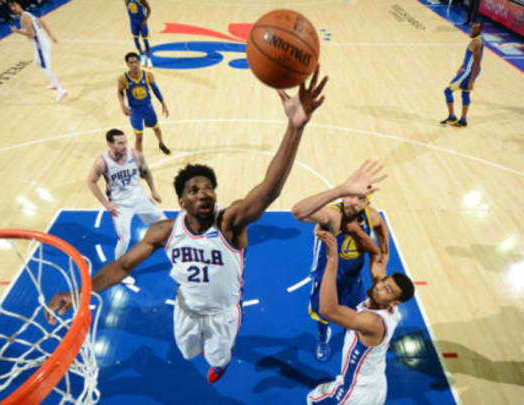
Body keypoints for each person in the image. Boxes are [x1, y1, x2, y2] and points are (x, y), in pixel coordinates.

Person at [47, 66, 329, 383]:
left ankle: (220, 363)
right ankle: (194, 351)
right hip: (186, 311)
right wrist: (78, 294)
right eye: (193, 190)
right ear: (182, 202)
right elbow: (123, 265)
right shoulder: (165, 231)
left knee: (218, 357)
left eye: (208, 187)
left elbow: (270, 189)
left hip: (224, 314)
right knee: (187, 351)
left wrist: (295, 128)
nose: (203, 193)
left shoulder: (229, 222)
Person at [291, 161, 391, 362]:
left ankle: (350, 339)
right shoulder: (332, 216)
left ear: (367, 203)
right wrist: (338, 191)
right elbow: (299, 212)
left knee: (353, 317)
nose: (353, 202)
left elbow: (382, 229)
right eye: (350, 195)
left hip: (353, 281)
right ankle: (322, 339)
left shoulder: (371, 216)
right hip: (327, 279)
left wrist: (384, 257)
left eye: (360, 198)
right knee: (321, 316)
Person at [306, 230, 414, 405]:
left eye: (388, 289)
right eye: (383, 282)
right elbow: (378, 254)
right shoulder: (383, 301)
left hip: (355, 392)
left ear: (395, 303)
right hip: (375, 385)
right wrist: (354, 226)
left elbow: (327, 309)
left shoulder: (372, 322)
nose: (379, 287)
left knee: (313, 399)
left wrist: (333, 260)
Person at [88, 129, 165, 259]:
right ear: (110, 144)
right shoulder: (102, 162)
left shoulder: (135, 155)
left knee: (164, 223)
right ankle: (118, 268)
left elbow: (145, 172)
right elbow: (91, 182)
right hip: (120, 205)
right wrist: (106, 204)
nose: (125, 146)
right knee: (124, 239)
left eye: (125, 142)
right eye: (120, 143)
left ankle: (179, 252)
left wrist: (153, 191)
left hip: (140, 198)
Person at [9, 1, 67, 102]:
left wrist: (17, 32)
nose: (13, 8)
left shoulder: (24, 18)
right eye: (11, 7)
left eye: (14, 6)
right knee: (37, 62)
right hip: (43, 42)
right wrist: (50, 35)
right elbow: (41, 21)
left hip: (40, 45)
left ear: (19, 5)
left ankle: (61, 90)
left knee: (45, 68)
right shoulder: (27, 13)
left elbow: (32, 35)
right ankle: (54, 84)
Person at [118, 52, 170, 155]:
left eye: (136, 62)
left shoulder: (148, 75)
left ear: (139, 62)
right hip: (135, 110)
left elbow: (155, 89)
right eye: (131, 63)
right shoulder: (123, 78)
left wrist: (163, 102)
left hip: (148, 108)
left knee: (156, 128)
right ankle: (139, 161)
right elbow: (120, 92)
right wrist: (122, 105)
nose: (134, 65)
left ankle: (161, 143)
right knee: (139, 137)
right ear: (127, 64)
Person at [440, 21, 483, 128]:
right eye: (471, 28)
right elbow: (471, 59)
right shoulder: (475, 41)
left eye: (474, 29)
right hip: (468, 69)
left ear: (478, 31)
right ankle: (463, 120)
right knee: (465, 93)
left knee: (448, 91)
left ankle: (452, 116)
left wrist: (471, 81)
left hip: (468, 71)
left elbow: (477, 63)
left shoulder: (476, 43)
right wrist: (461, 65)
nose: (471, 30)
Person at [124, 0, 152, 67]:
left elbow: (149, 9)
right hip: (133, 23)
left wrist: (145, 20)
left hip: (141, 21)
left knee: (145, 40)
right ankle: (142, 56)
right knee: (135, 40)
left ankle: (148, 58)